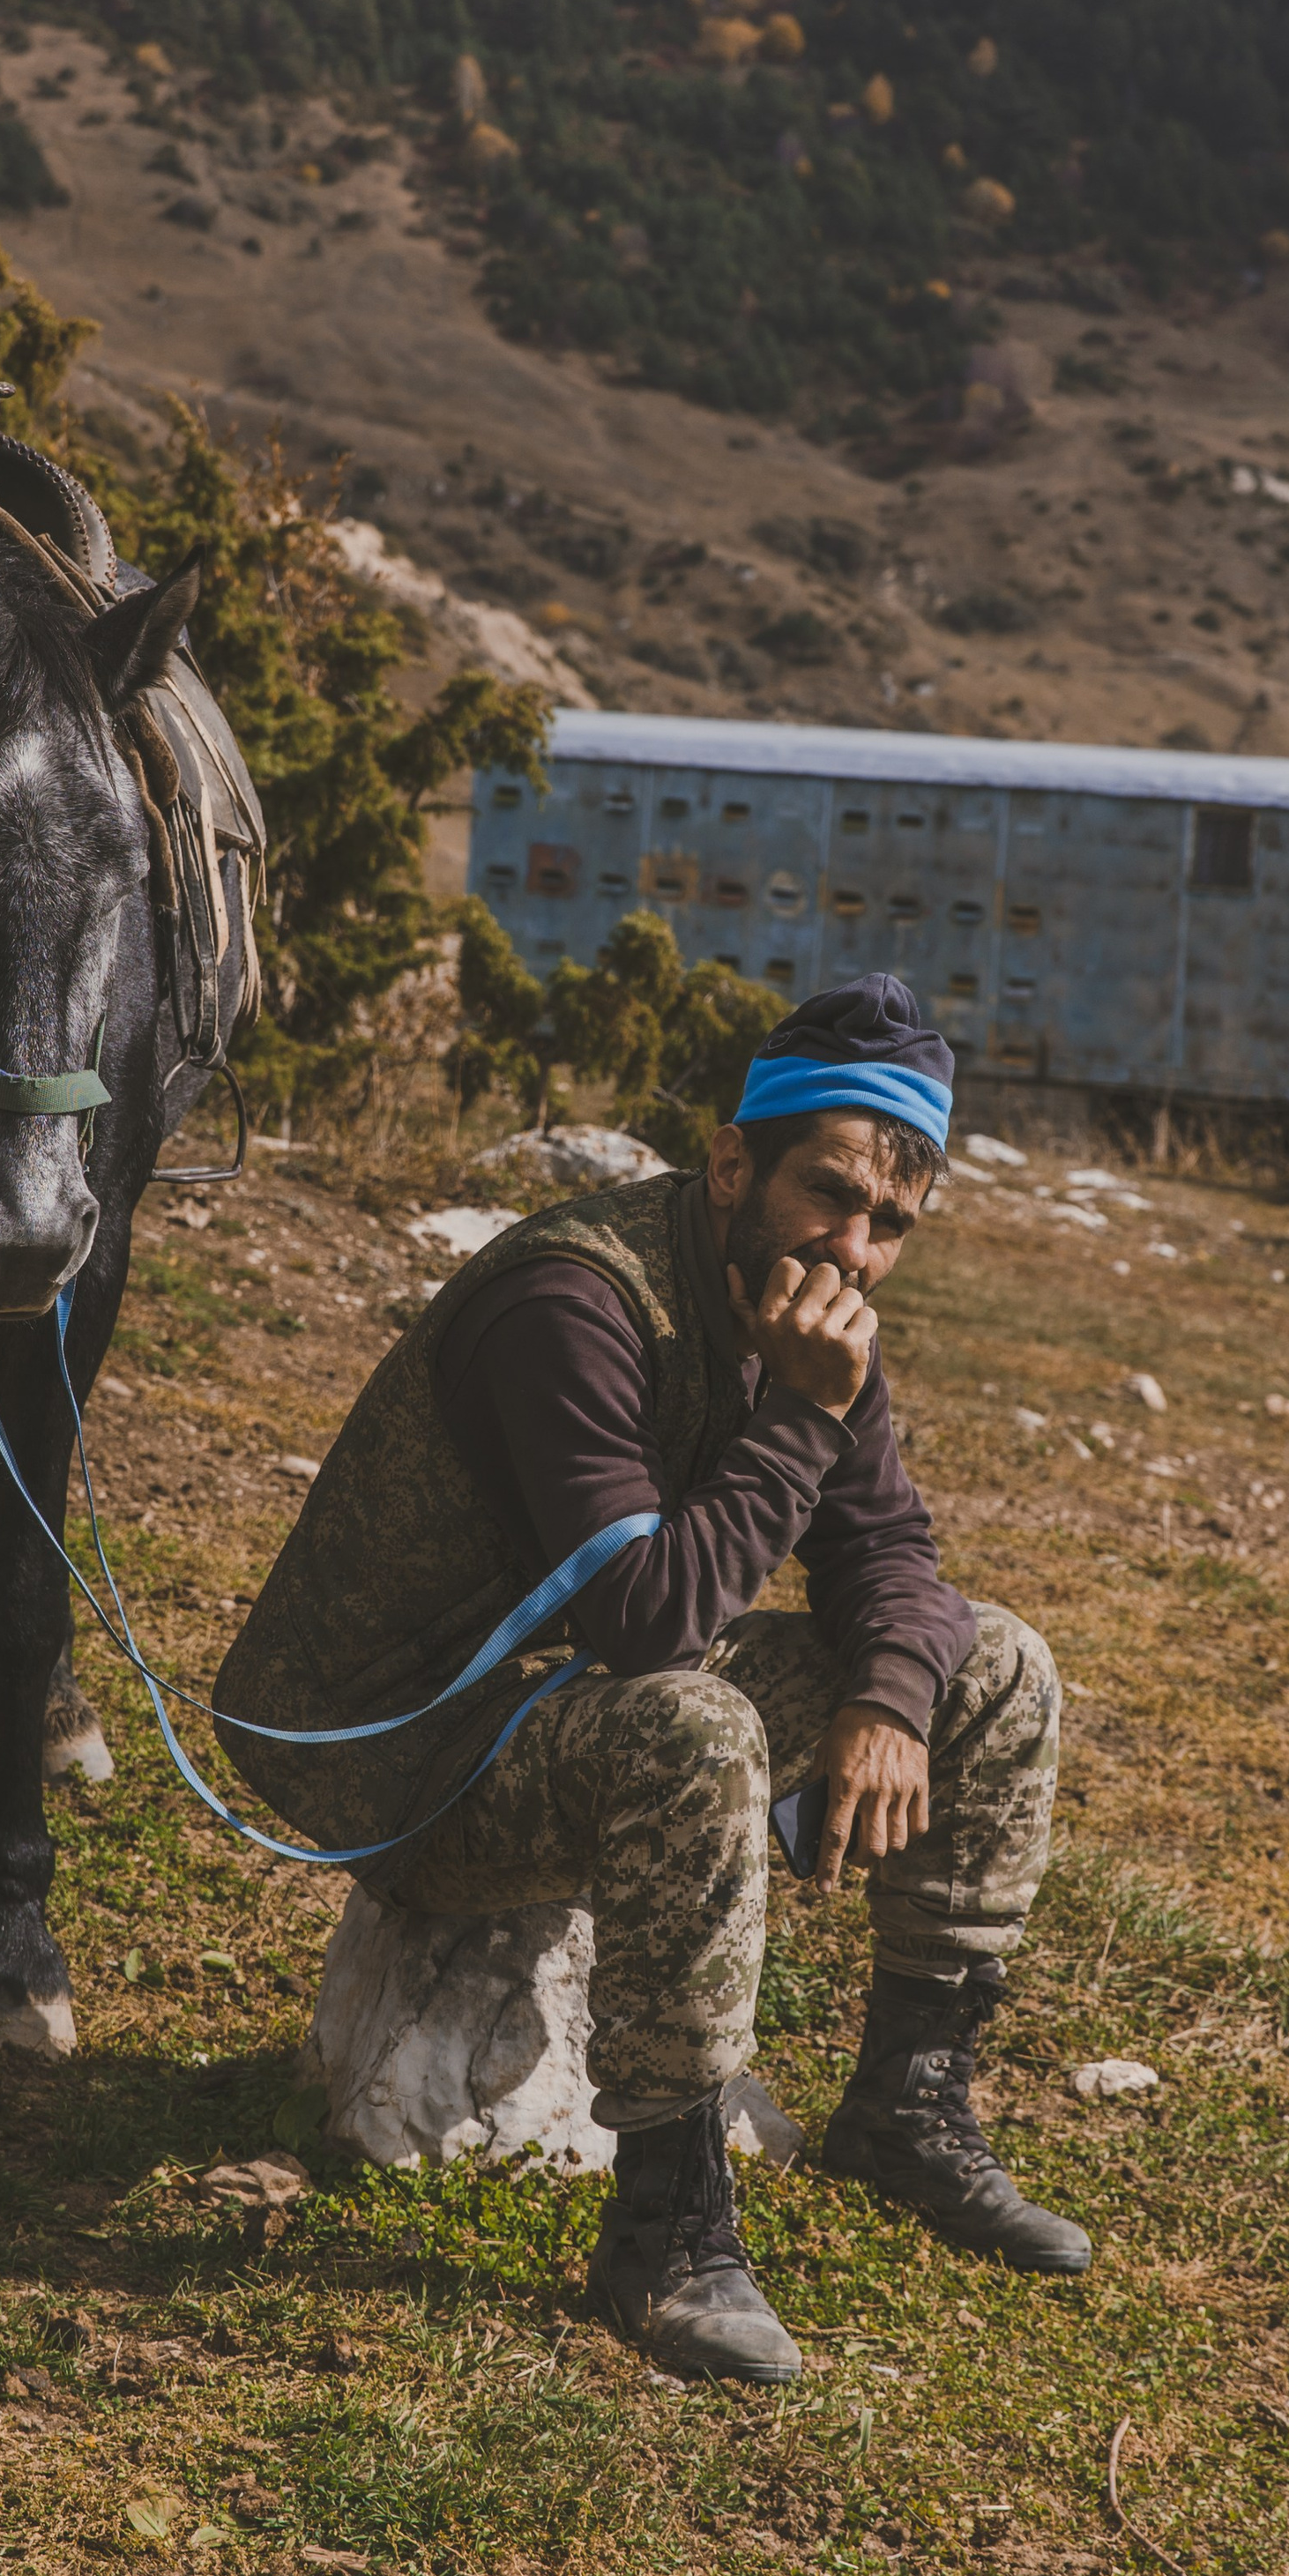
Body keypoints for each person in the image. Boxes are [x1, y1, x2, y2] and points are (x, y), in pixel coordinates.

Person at [214, 975, 1089, 2382]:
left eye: (894, 1228)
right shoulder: (575, 1298)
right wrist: (801, 1416)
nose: (856, 1251)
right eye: (830, 1195)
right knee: (694, 1725)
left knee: (993, 1665)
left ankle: (907, 2110)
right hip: (409, 1754)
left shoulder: (809, 1306)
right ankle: (667, 2222)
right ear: (734, 1161)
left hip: (562, 1702)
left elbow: (898, 1557)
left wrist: (889, 1699)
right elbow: (646, 1623)